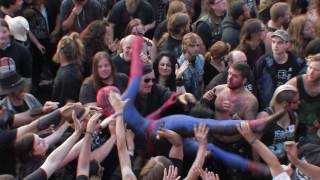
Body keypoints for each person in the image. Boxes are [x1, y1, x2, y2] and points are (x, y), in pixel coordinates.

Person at [255, 30, 304, 110]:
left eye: (280, 43)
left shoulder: (296, 63)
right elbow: (256, 84)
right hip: (267, 106)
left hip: (288, 106)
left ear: (287, 44)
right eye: (273, 42)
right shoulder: (263, 62)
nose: (275, 45)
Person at [258, 84, 299, 164]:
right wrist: (257, 165)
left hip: (285, 163)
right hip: (267, 163)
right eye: (295, 102)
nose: (298, 103)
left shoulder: (294, 116)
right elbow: (255, 143)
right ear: (285, 104)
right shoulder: (265, 116)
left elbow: (292, 140)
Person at [286, 53, 320, 138]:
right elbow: (278, 104)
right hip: (292, 127)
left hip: (314, 129)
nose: (311, 72)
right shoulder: (295, 83)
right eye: (310, 67)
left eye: (316, 70)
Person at [51, 32, 83, 106]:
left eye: (57, 48)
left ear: (60, 51)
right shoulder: (64, 69)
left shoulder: (69, 75)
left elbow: (69, 104)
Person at [178, 32, 204, 99]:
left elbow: (201, 81)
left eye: (197, 45)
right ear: (185, 46)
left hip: (198, 97)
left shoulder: (201, 59)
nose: (196, 48)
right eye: (192, 46)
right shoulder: (179, 64)